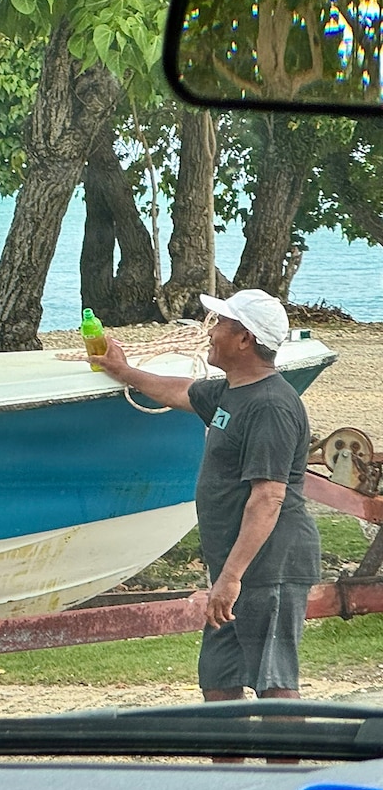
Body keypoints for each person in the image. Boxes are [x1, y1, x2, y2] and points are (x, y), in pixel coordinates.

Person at [90, 289, 320, 710]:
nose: (210, 333)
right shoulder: (231, 392)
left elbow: (268, 497)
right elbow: (180, 391)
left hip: (268, 567)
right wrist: (124, 371)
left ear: (244, 340)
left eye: (220, 326)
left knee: (274, 685)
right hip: (233, 570)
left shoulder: (270, 405)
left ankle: (286, 773)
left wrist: (230, 578)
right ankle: (228, 775)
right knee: (219, 683)